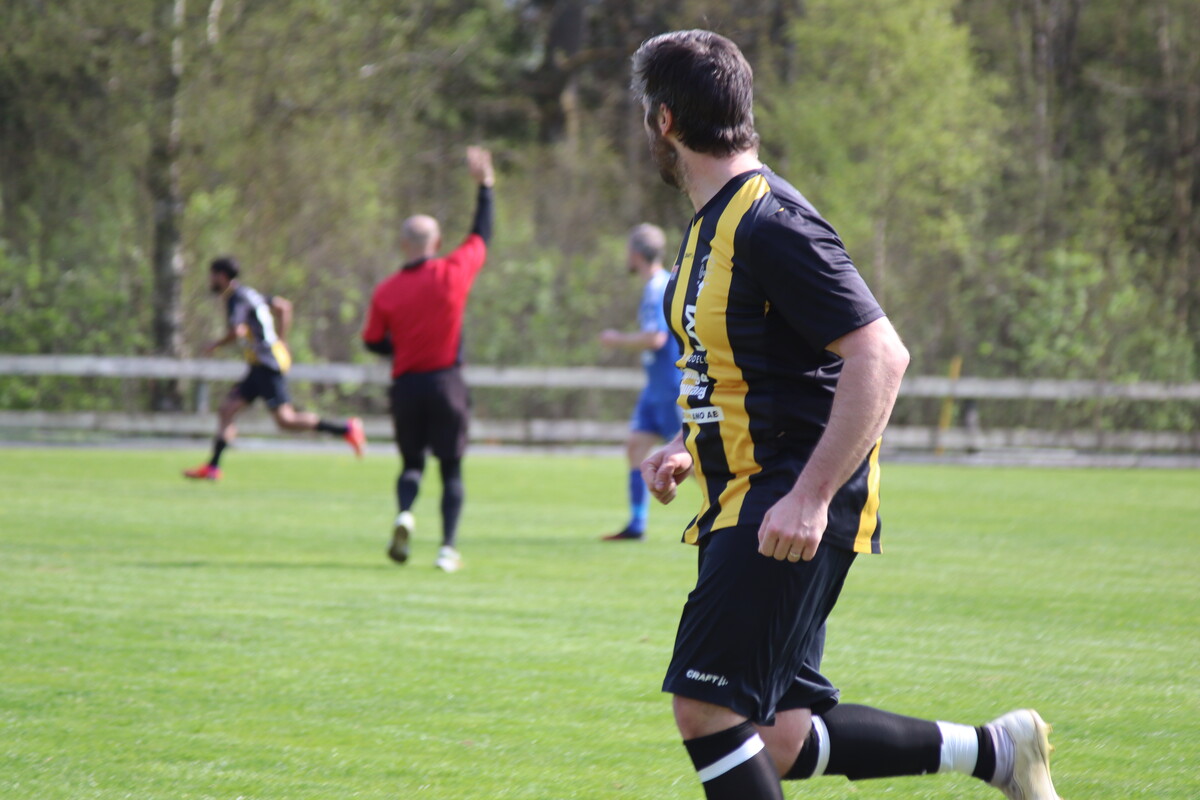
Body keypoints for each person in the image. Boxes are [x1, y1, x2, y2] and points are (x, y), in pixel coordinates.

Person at [632, 30, 1060, 800]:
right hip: (747, 496)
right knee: (778, 737)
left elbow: (880, 355)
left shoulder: (770, 222)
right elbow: (748, 370)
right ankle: (998, 752)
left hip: (785, 498)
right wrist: (687, 443)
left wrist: (811, 496)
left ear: (663, 120)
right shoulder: (709, 228)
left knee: (706, 709)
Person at [362, 146, 495, 573]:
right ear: (435, 244)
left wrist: (403, 347)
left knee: (411, 465)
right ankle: (447, 548)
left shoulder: (386, 291)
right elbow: (481, 235)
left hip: (406, 387)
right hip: (446, 384)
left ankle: (404, 514)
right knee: (451, 469)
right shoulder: (452, 272)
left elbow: (372, 342)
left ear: (403, 244)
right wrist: (485, 187)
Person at [184, 257, 365, 480]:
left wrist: (215, 345)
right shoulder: (249, 293)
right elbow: (283, 306)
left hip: (267, 365)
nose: (210, 280)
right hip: (259, 365)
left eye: (212, 275)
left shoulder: (235, 299)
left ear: (221, 276)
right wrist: (282, 340)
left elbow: (238, 330)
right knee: (227, 410)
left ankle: (346, 429)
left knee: (286, 420)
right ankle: (213, 467)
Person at [598, 223, 683, 540]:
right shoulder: (654, 285)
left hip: (672, 387)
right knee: (636, 446)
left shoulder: (658, 287)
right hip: (654, 388)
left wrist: (616, 339)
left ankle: (727, 517)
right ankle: (636, 524)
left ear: (635, 254)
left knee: (693, 459)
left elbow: (656, 338)